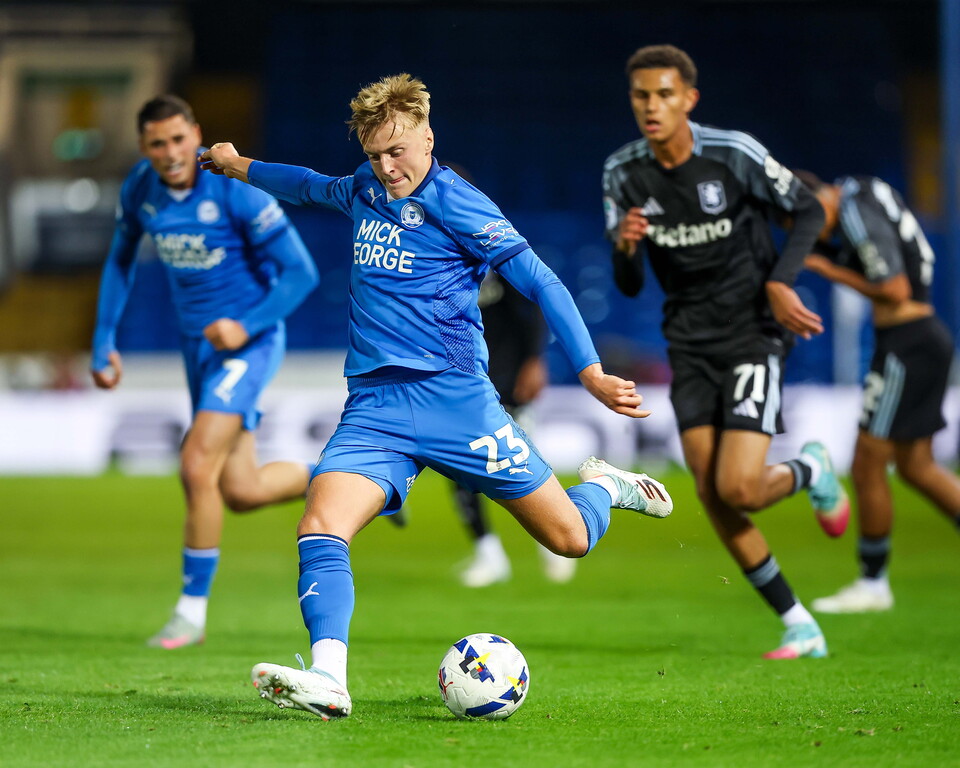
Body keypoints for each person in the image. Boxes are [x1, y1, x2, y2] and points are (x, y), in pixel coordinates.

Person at [200, 73, 673, 719]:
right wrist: (238, 165)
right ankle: (330, 677)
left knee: (568, 539)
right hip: (374, 408)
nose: (386, 168)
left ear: (428, 137)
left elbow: (542, 282)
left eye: (397, 151)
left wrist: (588, 370)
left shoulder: (460, 203)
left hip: (457, 404)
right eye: (375, 155)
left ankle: (606, 489)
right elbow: (306, 184)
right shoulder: (364, 188)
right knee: (320, 524)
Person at [603, 44, 848, 660]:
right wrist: (626, 247)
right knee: (712, 493)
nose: (652, 106)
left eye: (664, 94)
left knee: (739, 488)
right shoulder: (621, 173)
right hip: (688, 341)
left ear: (689, 99)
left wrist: (781, 281)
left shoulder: (733, 153)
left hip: (751, 333)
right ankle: (799, 623)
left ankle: (811, 469)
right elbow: (627, 284)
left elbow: (808, 209)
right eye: (641, 95)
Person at [91, 95, 319, 649]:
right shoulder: (140, 189)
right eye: (157, 144)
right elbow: (120, 259)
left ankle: (190, 613)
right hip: (197, 349)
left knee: (195, 463)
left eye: (178, 139)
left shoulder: (235, 191)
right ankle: (348, 483)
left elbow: (301, 273)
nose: (170, 153)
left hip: (250, 344)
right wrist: (103, 341)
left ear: (196, 134)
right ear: (143, 147)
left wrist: (244, 325)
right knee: (239, 490)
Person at [795, 171, 960, 613]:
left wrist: (829, 269)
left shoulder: (853, 208)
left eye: (804, 221)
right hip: (922, 337)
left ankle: (872, 584)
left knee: (867, 463)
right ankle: (872, 583)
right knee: (917, 467)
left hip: (907, 342)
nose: (810, 233)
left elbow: (893, 288)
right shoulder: (866, 192)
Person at [454, 270, 577, 586]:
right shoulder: (439, 260)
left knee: (521, 464)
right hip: (462, 379)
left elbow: (532, 304)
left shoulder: (494, 253)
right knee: (459, 471)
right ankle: (490, 556)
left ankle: (555, 542)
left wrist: (534, 360)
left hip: (506, 377)